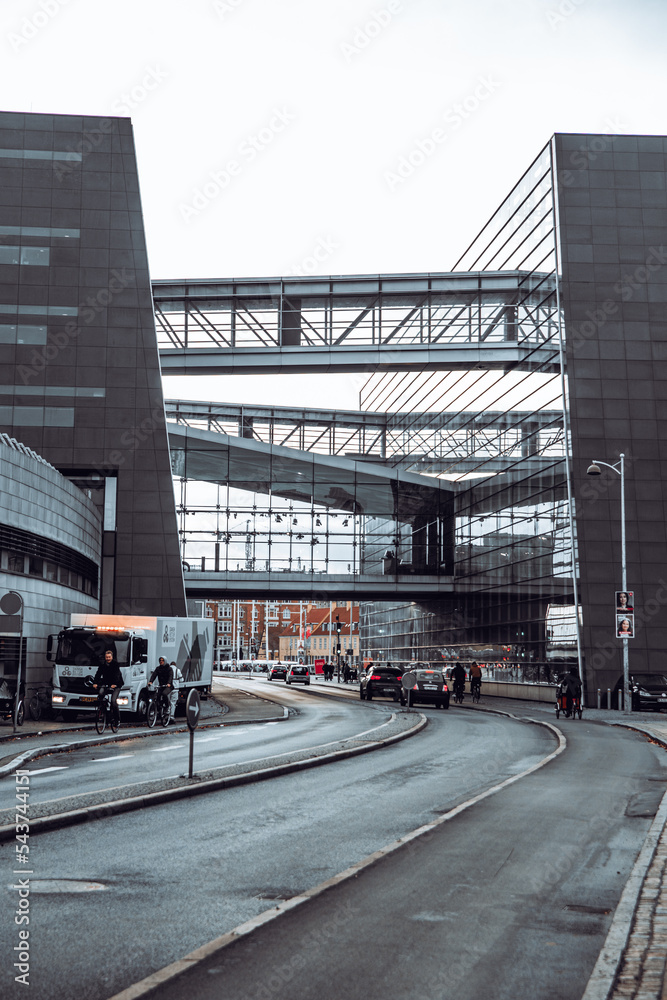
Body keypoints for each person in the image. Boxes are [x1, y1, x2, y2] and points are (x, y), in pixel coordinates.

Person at [93, 649, 124, 726]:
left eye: (109, 657)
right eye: (106, 657)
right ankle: (104, 712)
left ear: (112, 657)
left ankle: (117, 720)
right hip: (106, 683)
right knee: (100, 694)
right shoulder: (102, 665)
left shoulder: (115, 664)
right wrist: (95, 683)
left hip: (116, 684)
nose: (108, 658)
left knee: (113, 701)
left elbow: (117, 675)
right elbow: (98, 674)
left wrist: (115, 684)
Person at [149, 656, 174, 722]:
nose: (161, 661)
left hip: (168, 686)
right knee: (157, 696)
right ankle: (157, 710)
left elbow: (170, 676)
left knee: (164, 694)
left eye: (162, 660)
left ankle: (167, 707)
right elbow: (154, 675)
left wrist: (169, 683)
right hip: (161, 686)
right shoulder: (158, 668)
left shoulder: (169, 669)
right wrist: (151, 681)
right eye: (160, 660)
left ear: (165, 661)